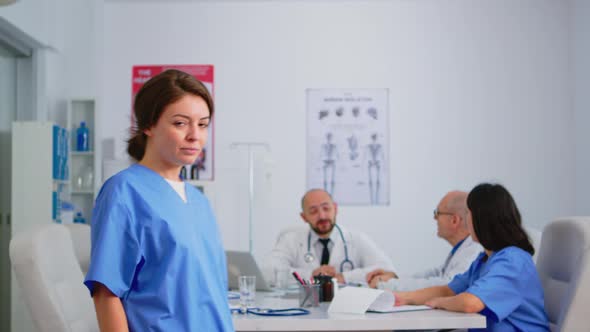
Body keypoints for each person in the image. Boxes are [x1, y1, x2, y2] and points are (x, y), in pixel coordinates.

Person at [84, 69, 234, 331]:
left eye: (202, 124)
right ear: (148, 125)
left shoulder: (199, 201)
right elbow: (107, 294)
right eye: (180, 123)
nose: (194, 135)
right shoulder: (124, 192)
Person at [394, 183, 549, 331]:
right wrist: (403, 298)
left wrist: (440, 303)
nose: (465, 220)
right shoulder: (484, 260)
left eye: (468, 213)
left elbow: (470, 303)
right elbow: (448, 290)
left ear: (482, 219)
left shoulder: (513, 261)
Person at [268, 188, 394, 284]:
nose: (322, 216)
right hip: (304, 308)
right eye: (313, 211)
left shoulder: (356, 239)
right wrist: (311, 275)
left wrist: (344, 277)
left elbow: (387, 270)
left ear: (335, 209)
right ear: (304, 217)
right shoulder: (290, 239)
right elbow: (269, 271)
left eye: (326, 208)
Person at [366, 191, 482, 291]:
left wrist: (389, 284)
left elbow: (447, 286)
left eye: (437, 213)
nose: (435, 218)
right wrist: (395, 277)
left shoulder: (473, 252)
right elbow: (436, 274)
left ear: (454, 220)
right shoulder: (462, 249)